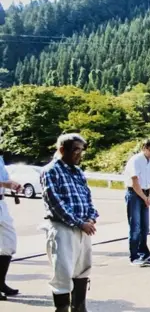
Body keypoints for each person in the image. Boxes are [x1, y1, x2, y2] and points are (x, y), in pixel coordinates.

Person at [41, 133, 98, 312]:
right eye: (75, 150)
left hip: (84, 228)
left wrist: (91, 217)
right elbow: (55, 202)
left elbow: (88, 198)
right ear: (62, 150)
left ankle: (79, 307)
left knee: (83, 269)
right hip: (63, 228)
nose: (79, 154)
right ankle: (62, 308)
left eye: (81, 150)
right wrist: (79, 222)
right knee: (63, 272)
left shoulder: (78, 171)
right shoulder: (50, 171)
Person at [124, 138, 150, 267]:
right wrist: (144, 198)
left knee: (145, 227)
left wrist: (149, 196)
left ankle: (144, 253)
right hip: (134, 194)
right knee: (135, 226)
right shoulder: (135, 161)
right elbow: (134, 182)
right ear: (145, 148)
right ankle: (134, 256)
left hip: (145, 193)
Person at [0, 128, 22, 301]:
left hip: (1, 203)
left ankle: (1, 282)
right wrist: (5, 184)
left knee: (8, 243)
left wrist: (12, 185)